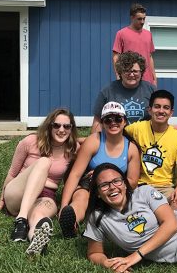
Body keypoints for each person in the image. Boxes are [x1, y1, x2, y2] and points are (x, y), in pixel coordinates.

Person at [0, 109, 78, 255]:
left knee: (39, 217)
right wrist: (1, 203)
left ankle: (35, 240)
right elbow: (12, 173)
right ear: (49, 126)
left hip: (46, 195)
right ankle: (21, 220)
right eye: (56, 125)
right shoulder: (30, 141)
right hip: (18, 193)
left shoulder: (73, 149)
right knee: (43, 162)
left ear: (71, 128)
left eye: (66, 126)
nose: (61, 130)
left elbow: (91, 144)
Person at [59, 102, 140, 238]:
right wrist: (63, 205)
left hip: (114, 188)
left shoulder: (131, 148)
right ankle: (71, 221)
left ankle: (106, 217)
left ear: (125, 122)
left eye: (118, 119)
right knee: (81, 197)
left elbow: (132, 182)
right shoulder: (94, 141)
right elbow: (75, 174)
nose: (113, 122)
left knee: (119, 202)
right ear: (102, 123)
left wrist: (104, 173)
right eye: (108, 119)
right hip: (89, 186)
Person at [124, 90, 177, 210]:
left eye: (166, 108)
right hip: (140, 185)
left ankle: (168, 225)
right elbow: (114, 134)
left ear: (171, 113)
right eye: (157, 107)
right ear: (149, 110)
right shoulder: (137, 128)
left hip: (165, 187)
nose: (161, 111)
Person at [92, 51, 156, 133]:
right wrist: (96, 141)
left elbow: (159, 118)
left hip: (145, 138)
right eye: (127, 71)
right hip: (115, 138)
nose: (131, 74)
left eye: (135, 71)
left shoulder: (151, 90)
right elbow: (97, 121)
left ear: (141, 72)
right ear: (120, 72)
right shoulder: (108, 91)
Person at [113, 3, 157, 85]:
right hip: (130, 77)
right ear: (132, 18)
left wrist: (154, 77)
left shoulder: (148, 34)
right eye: (139, 19)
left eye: (144, 19)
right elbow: (116, 57)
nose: (142, 22)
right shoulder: (121, 34)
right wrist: (118, 76)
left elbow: (150, 56)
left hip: (147, 80)